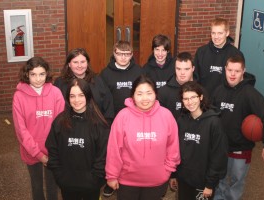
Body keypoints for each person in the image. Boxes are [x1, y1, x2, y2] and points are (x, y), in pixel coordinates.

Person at [212, 55, 264, 200]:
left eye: (237, 71)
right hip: (221, 147)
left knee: (237, 181)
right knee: (220, 179)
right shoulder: (218, 91)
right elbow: (211, 116)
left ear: (244, 71)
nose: (233, 74)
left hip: (241, 148)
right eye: (230, 70)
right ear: (225, 69)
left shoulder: (250, 94)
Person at [105, 74, 181, 200]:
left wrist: (167, 170)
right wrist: (112, 175)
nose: (144, 98)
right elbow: (114, 149)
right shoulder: (122, 116)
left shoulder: (166, 116)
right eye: (139, 94)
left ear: (156, 94)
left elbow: (173, 147)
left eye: (149, 93)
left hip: (157, 181)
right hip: (126, 181)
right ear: (132, 96)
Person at [46, 78, 109, 200]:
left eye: (81, 95)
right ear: (68, 98)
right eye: (72, 96)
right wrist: (60, 176)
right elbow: (52, 150)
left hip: (92, 185)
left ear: (88, 96)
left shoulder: (99, 124)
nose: (77, 100)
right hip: (67, 184)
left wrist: (95, 179)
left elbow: (104, 155)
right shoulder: (59, 122)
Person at [12, 57, 65, 200]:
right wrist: (38, 154)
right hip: (31, 150)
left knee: (53, 185)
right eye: (33, 74)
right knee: (36, 185)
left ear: (47, 73)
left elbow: (60, 124)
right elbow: (21, 130)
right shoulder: (19, 96)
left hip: (52, 150)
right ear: (27, 74)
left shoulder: (55, 93)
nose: (37, 79)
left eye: (41, 74)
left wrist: (54, 150)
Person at [170, 81, 228, 199]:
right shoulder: (181, 120)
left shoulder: (214, 122)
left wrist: (210, 184)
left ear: (201, 97)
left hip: (203, 181)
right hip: (184, 178)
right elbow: (175, 150)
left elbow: (218, 156)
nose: (190, 102)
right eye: (185, 99)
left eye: (193, 97)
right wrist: (174, 174)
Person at [100, 40, 143, 196]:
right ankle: (110, 180)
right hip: (114, 120)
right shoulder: (105, 73)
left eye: (127, 54)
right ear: (114, 54)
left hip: (135, 119)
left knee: (131, 151)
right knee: (113, 152)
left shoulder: (139, 71)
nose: (123, 58)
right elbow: (103, 98)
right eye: (120, 54)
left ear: (132, 55)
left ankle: (130, 178)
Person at [54, 48, 114, 122]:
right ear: (69, 64)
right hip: (69, 127)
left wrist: (106, 125)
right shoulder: (60, 83)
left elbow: (108, 104)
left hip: (95, 126)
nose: (79, 65)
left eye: (82, 62)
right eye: (75, 62)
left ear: (87, 63)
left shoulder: (98, 80)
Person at [194, 17, 244, 97]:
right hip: (204, 99)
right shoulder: (201, 52)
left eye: (220, 33)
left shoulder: (236, 55)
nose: (216, 37)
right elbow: (195, 77)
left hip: (226, 99)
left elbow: (239, 81)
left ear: (227, 33)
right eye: (213, 33)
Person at [158, 51, 196, 119]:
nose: (182, 73)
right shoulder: (164, 92)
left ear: (193, 69)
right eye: (178, 69)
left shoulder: (200, 89)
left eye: (186, 69)